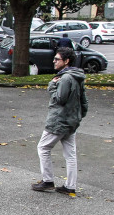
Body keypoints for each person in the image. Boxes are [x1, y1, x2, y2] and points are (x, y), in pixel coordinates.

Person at [32, 47, 88, 196]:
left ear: (66, 61)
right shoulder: (78, 76)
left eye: (57, 59)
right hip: (71, 121)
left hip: (59, 121)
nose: (54, 61)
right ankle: (70, 186)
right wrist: (78, 116)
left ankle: (48, 181)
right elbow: (84, 101)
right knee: (70, 154)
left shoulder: (65, 78)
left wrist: (51, 86)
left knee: (43, 148)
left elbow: (59, 99)